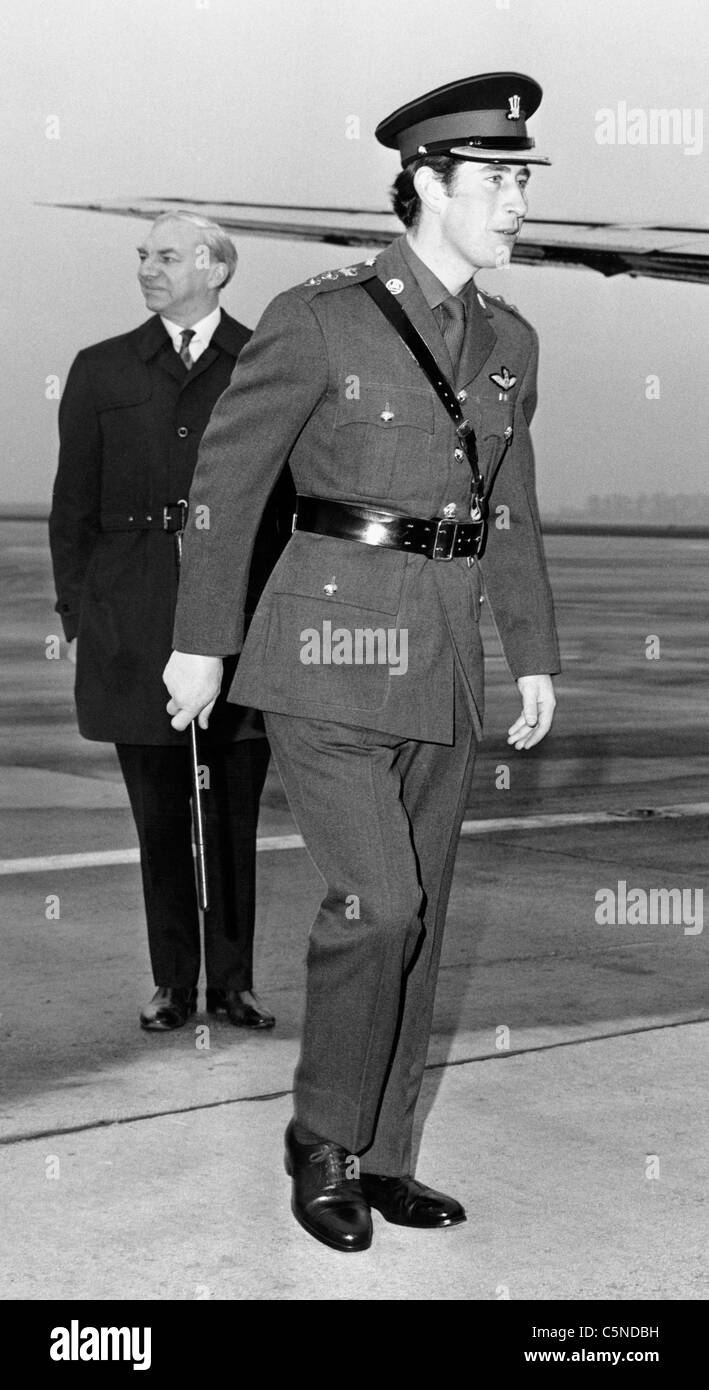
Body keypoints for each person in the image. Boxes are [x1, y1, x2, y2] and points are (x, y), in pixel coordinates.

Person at [164, 74, 560, 1251]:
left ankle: (386, 1159)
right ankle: (321, 1138)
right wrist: (199, 642)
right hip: (326, 653)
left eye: (521, 185)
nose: (515, 207)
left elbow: (512, 511)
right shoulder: (321, 315)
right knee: (374, 905)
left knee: (424, 919)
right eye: (494, 183)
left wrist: (531, 653)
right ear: (427, 185)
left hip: (441, 663)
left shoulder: (511, 341)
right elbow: (225, 488)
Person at [50, 211, 293, 1033]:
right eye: (142, 256)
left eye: (165, 256)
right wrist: (84, 614)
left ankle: (233, 984)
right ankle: (169, 984)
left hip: (240, 623)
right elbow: (71, 508)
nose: (148, 268)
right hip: (133, 619)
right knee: (158, 814)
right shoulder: (101, 369)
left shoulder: (269, 362)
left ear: (215, 268)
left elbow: (298, 505)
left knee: (231, 812)